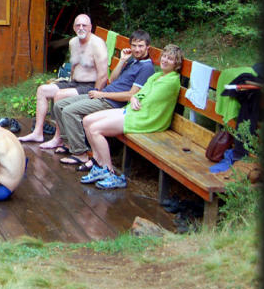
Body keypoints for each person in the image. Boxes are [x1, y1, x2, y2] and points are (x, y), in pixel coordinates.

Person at [79, 45, 184, 189]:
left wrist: (137, 99)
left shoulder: (171, 81)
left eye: (170, 59)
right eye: (164, 56)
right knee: (87, 120)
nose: (165, 60)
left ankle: (109, 172)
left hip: (145, 118)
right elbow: (141, 94)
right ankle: (99, 164)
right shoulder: (156, 76)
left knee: (96, 129)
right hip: (133, 110)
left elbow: (151, 101)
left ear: (176, 64)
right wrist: (134, 98)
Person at [52, 29, 156, 171]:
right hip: (103, 94)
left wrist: (102, 95)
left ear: (147, 47)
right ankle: (69, 144)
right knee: (59, 105)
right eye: (134, 45)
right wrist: (123, 60)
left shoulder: (147, 68)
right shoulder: (133, 62)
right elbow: (112, 79)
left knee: (69, 111)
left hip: (110, 102)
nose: (136, 49)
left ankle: (80, 153)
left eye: (140, 46)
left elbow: (130, 95)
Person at [20, 14, 108, 148]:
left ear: (90, 27)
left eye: (84, 25)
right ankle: (38, 133)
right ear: (73, 28)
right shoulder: (73, 42)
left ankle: (58, 138)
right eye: (78, 25)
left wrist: (95, 94)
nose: (81, 28)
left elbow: (103, 75)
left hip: (90, 86)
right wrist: (66, 81)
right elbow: (73, 66)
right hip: (74, 83)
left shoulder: (97, 44)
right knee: (42, 90)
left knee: (60, 95)